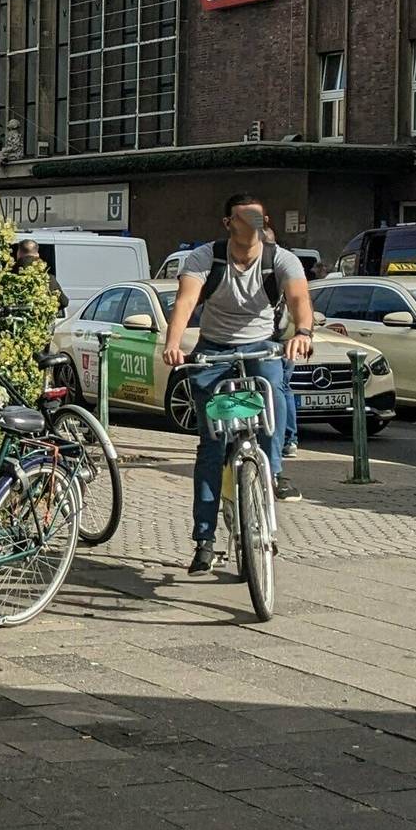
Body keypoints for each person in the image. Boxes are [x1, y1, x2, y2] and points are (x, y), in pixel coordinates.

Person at [159, 193, 314, 575]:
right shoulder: (204, 258)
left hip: (261, 346)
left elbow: (299, 299)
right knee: (211, 447)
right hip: (214, 350)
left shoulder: (280, 258)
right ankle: (205, 540)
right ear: (227, 223)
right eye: (243, 219)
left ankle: (272, 472)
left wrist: (303, 333)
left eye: (258, 219)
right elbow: (186, 301)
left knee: (273, 392)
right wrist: (174, 343)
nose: (251, 226)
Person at [265, 225, 302, 458]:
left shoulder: (275, 267)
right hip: (286, 338)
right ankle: (289, 439)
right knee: (282, 389)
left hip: (274, 340)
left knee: (275, 389)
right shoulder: (287, 264)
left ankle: (282, 441)